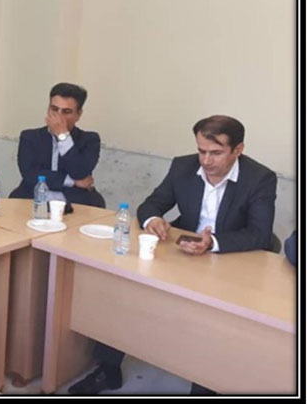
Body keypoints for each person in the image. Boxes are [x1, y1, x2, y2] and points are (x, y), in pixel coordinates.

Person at [69, 115, 277, 395]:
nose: (206, 160)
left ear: (238, 150)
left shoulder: (259, 178)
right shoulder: (183, 166)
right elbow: (151, 204)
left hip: (229, 257)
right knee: (126, 289)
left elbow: (260, 234)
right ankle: (108, 369)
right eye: (201, 151)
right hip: (183, 252)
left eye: (216, 153)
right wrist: (153, 219)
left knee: (213, 320)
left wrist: (212, 243)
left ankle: (205, 388)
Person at [9, 82, 105, 208]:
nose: (59, 117)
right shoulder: (30, 137)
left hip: (76, 201)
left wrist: (63, 136)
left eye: (66, 112)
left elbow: (80, 172)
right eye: (54, 109)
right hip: (32, 198)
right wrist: (72, 181)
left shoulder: (90, 140)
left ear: (78, 114)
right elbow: (30, 174)